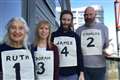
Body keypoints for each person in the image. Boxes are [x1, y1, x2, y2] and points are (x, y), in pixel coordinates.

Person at [76, 7, 109, 80]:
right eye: (86, 15)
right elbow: (77, 49)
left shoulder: (104, 28)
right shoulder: (78, 30)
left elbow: (107, 46)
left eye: (91, 14)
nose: (88, 17)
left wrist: (107, 51)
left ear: (95, 15)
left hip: (100, 67)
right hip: (83, 67)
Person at [51, 10, 84, 80]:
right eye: (64, 19)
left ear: (71, 21)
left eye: (68, 20)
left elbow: (79, 54)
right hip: (57, 74)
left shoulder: (75, 36)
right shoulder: (53, 36)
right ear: (60, 19)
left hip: (73, 74)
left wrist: (81, 72)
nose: (66, 22)